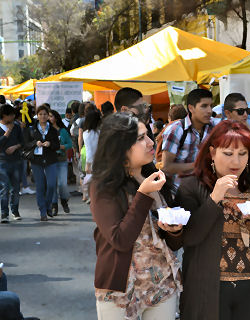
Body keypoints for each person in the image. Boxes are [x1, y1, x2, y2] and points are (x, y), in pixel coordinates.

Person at [176, 120, 250, 320]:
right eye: (228, 154)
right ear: (212, 153)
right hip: (209, 289)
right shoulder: (191, 186)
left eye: (242, 153)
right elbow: (189, 238)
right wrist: (214, 199)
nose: (236, 162)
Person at [90, 113, 182, 320]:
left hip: (161, 283)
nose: (151, 142)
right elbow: (120, 239)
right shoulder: (103, 185)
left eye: (148, 135)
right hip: (120, 288)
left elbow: (171, 242)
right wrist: (143, 194)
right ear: (120, 146)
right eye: (140, 138)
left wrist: (175, 230)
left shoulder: (156, 178)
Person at [161, 89, 215, 189]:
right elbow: (166, 166)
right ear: (191, 108)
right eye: (204, 106)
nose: (209, 111)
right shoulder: (176, 130)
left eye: (211, 106)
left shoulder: (213, 128)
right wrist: (197, 165)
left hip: (205, 190)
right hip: (178, 192)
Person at [24, 104, 60, 221]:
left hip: (51, 160)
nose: (43, 116)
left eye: (45, 114)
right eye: (40, 114)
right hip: (36, 161)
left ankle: (48, 205)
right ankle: (43, 211)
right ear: (37, 115)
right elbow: (26, 144)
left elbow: (57, 145)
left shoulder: (53, 130)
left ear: (48, 116)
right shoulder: (31, 129)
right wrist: (35, 143)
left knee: (51, 185)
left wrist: (50, 144)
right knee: (40, 186)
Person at [0, 104, 24, 223]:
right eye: (11, 115)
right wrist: (7, 132)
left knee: (15, 188)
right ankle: (4, 213)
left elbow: (22, 142)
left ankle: (15, 211)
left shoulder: (17, 127)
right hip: (2, 162)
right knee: (4, 188)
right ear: (4, 115)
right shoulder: (3, 127)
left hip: (16, 161)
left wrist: (15, 147)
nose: (13, 117)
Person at [48, 110, 73, 215]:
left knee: (62, 184)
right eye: (48, 116)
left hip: (62, 160)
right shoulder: (46, 130)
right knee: (52, 184)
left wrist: (62, 147)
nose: (49, 118)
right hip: (50, 161)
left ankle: (63, 200)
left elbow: (70, 144)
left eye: (51, 116)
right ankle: (54, 205)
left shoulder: (63, 131)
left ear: (56, 118)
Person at [82, 109, 102, 203]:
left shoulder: (86, 134)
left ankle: (90, 196)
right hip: (102, 159)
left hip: (92, 160)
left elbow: (89, 150)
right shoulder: (100, 132)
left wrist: (88, 164)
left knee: (91, 180)